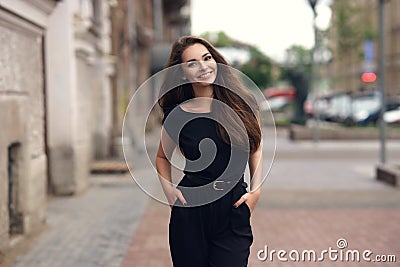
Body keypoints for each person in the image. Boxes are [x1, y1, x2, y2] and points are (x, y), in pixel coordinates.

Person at [155, 36, 263, 267]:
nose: (203, 66)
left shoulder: (242, 104)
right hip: (191, 209)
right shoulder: (177, 114)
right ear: (183, 73)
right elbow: (162, 157)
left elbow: (256, 147)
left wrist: (256, 190)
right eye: (192, 63)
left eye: (207, 58)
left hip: (233, 206)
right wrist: (169, 192)